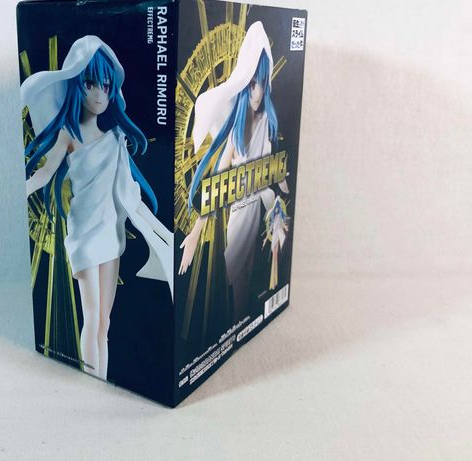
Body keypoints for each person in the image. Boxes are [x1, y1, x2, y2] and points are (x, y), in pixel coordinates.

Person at [22, 36, 173, 380]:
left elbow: (130, 195)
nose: (100, 94)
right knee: (91, 318)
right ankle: (91, 381)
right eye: (91, 84)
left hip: (110, 233)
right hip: (84, 234)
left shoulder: (116, 138)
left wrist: (162, 233)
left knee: (104, 322)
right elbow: (46, 173)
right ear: (77, 83)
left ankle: (99, 379)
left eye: (105, 85)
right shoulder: (68, 135)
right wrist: (22, 188)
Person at [179, 21, 288, 322]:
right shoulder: (235, 131)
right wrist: (196, 232)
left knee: (259, 273)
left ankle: (248, 320)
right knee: (239, 278)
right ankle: (238, 324)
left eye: (261, 82)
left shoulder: (267, 122)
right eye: (251, 83)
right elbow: (217, 182)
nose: (256, 91)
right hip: (241, 208)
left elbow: (277, 174)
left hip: (264, 205)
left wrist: (282, 197)